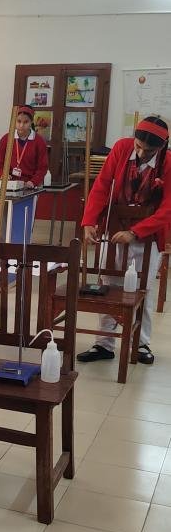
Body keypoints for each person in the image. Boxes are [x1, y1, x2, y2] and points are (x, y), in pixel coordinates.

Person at [78, 115, 171, 366]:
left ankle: (140, 343)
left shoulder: (169, 162)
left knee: (142, 289)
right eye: (138, 146)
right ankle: (104, 343)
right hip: (115, 228)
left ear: (162, 147)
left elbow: (167, 209)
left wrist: (136, 232)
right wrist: (89, 221)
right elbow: (102, 185)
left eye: (148, 151)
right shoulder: (121, 148)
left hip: (147, 235)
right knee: (108, 285)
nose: (141, 153)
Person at [0, 106, 49, 188]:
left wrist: (33, 182)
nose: (21, 125)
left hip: (30, 185)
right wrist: (2, 174)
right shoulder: (6, 138)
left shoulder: (39, 141)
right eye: (19, 121)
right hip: (9, 184)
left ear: (31, 122)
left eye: (26, 122)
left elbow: (42, 168)